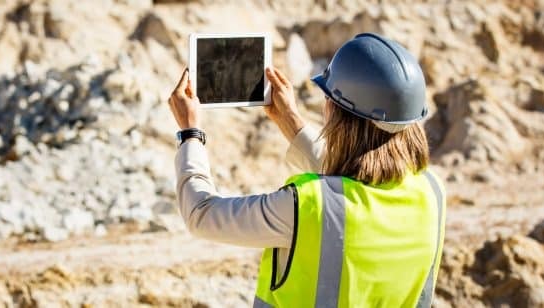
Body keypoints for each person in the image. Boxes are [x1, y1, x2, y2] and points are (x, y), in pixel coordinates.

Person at [167, 33, 446, 308]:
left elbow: (202, 214)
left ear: (336, 113)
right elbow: (355, 184)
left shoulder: (306, 206)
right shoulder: (432, 194)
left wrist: (190, 133)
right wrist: (291, 121)